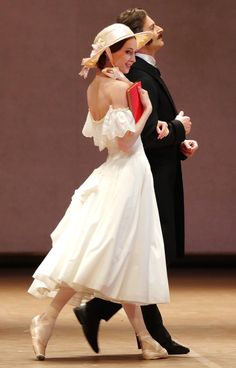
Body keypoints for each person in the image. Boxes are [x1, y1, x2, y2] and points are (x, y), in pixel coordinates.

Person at [28, 23, 171, 361]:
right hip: (128, 173)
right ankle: (47, 318)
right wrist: (149, 110)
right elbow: (127, 141)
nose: (131, 60)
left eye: (134, 53)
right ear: (110, 52)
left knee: (120, 256)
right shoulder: (118, 88)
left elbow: (109, 137)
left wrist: (126, 85)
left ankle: (145, 338)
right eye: (127, 53)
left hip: (116, 172)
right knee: (112, 253)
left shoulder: (96, 87)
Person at [74, 8, 198, 355]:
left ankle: (115, 318)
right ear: (130, 42)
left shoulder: (140, 71)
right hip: (144, 174)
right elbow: (139, 134)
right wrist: (176, 129)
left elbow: (154, 127)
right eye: (150, 28)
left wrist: (177, 139)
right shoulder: (135, 74)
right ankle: (112, 315)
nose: (160, 30)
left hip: (152, 169)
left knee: (145, 255)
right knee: (144, 254)